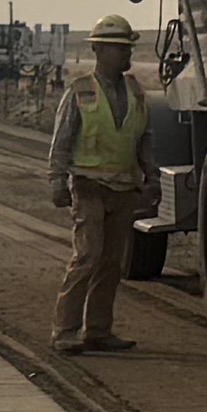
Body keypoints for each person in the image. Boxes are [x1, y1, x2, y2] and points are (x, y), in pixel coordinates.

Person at [55, 18, 150, 350]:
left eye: (127, 48)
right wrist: (57, 181)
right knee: (87, 257)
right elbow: (62, 140)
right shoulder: (79, 90)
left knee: (111, 264)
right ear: (98, 50)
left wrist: (151, 176)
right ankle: (65, 331)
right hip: (89, 186)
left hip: (123, 189)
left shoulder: (135, 90)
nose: (125, 54)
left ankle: (97, 330)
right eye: (118, 48)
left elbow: (142, 139)